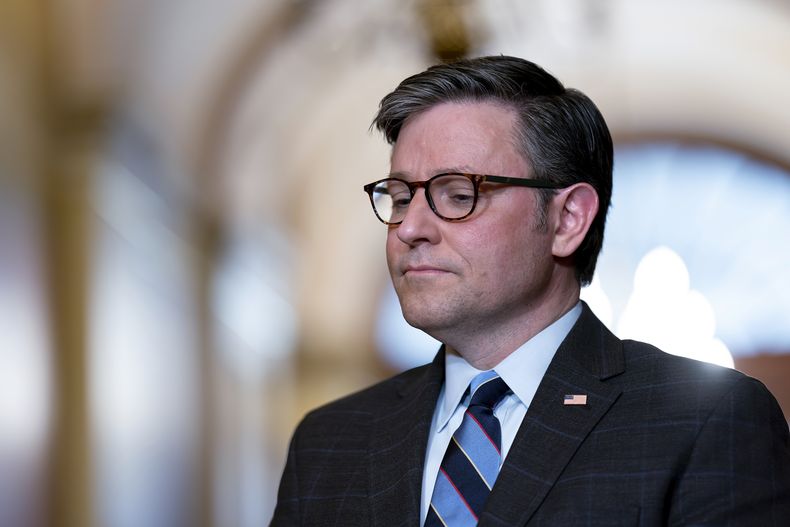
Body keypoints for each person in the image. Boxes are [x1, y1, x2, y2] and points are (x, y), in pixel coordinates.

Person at [271, 56, 790, 526]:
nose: (410, 228)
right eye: (401, 197)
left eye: (457, 195)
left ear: (567, 219)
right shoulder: (328, 442)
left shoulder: (706, 423)